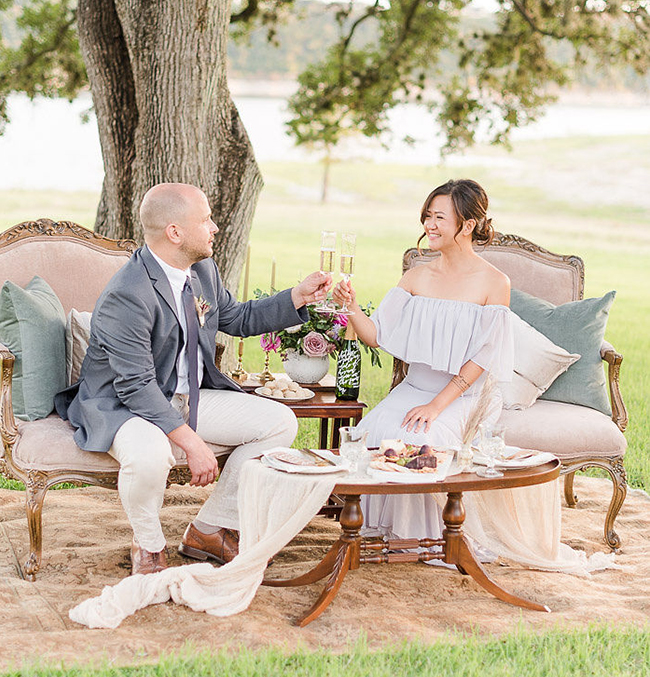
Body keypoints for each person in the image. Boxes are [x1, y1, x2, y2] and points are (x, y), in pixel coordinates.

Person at [55, 182, 331, 576]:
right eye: (205, 220)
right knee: (150, 455)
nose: (215, 227)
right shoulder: (127, 293)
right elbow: (135, 386)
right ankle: (149, 546)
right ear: (175, 232)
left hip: (187, 396)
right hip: (124, 405)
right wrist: (192, 442)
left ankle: (208, 528)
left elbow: (236, 318)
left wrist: (297, 297)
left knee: (279, 422)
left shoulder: (201, 269)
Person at [332, 178, 513, 547]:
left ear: (468, 224)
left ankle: (426, 539)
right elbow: (378, 336)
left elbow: (483, 358)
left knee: (419, 438)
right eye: (428, 216)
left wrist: (436, 405)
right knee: (371, 431)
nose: (430, 225)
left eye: (440, 217)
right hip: (416, 387)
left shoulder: (494, 282)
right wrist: (350, 307)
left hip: (464, 396)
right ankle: (378, 530)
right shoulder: (416, 275)